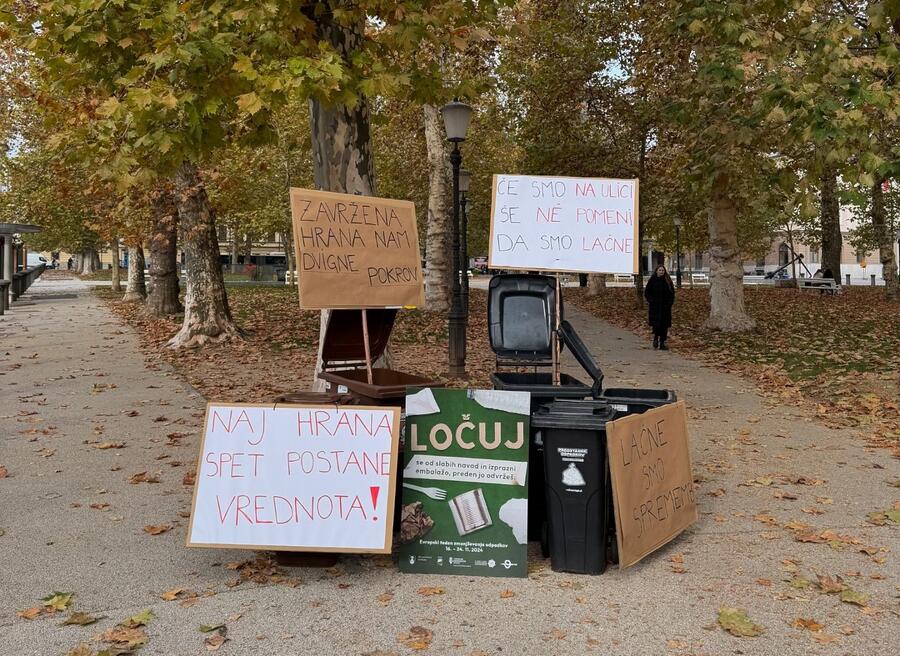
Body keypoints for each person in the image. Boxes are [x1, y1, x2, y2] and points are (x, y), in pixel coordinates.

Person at [645, 265, 675, 350]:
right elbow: (647, 292)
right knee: (656, 325)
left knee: (664, 326)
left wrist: (669, 303)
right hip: (655, 307)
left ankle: (662, 342)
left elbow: (672, 293)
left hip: (665, 307)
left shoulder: (668, 281)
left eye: (663, 270)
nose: (661, 272)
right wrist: (651, 300)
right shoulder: (652, 280)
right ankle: (655, 338)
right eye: (660, 270)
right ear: (656, 271)